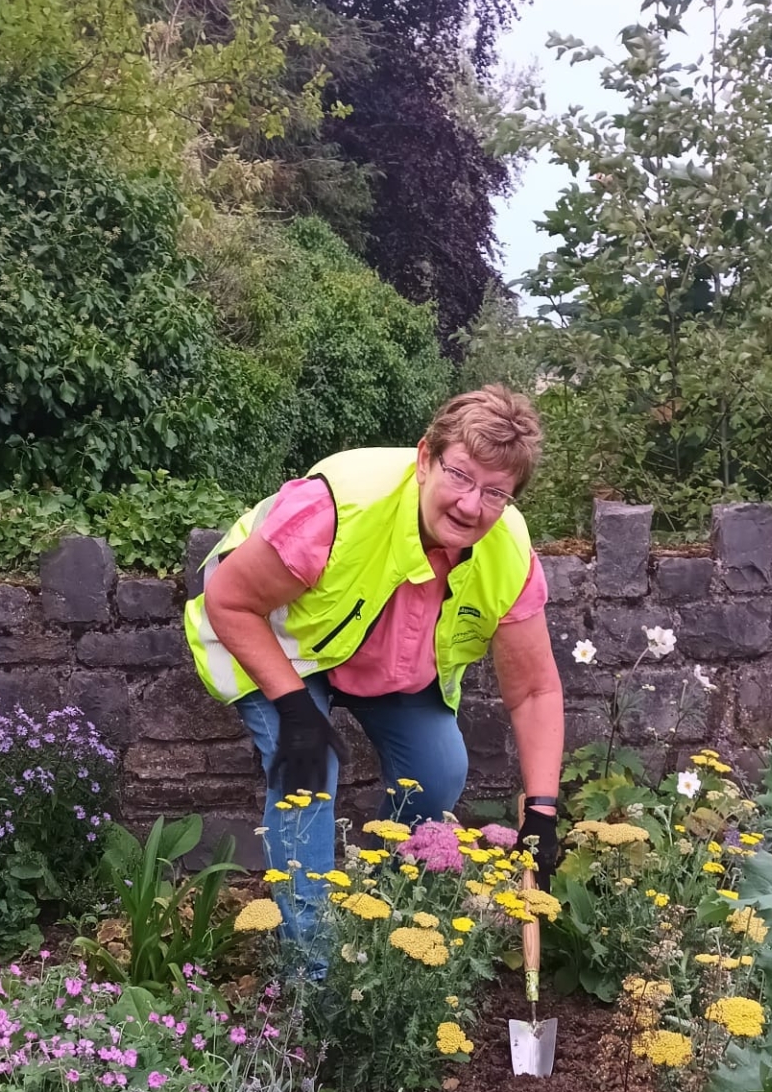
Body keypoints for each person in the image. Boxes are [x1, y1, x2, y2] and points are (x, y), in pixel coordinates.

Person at [184, 386, 565, 940]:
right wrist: (295, 709)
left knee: (438, 773)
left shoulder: (507, 551)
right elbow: (230, 602)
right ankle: (310, 966)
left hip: (387, 665)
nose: (470, 505)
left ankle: (381, 920)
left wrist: (543, 812)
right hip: (281, 642)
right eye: (459, 475)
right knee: (308, 774)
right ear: (425, 458)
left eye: (494, 492)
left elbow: (534, 691)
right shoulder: (340, 507)